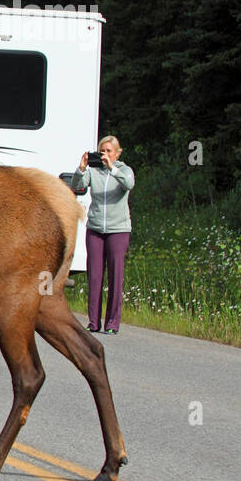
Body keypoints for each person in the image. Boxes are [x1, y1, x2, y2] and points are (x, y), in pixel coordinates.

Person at [71, 135, 135, 334]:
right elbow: (77, 186)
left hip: (118, 230)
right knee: (95, 276)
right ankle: (93, 322)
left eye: (108, 151)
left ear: (117, 153)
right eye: (102, 151)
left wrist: (111, 168)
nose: (105, 154)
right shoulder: (94, 171)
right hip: (96, 228)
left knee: (115, 276)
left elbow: (129, 184)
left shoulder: (124, 170)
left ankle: (112, 324)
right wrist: (81, 168)